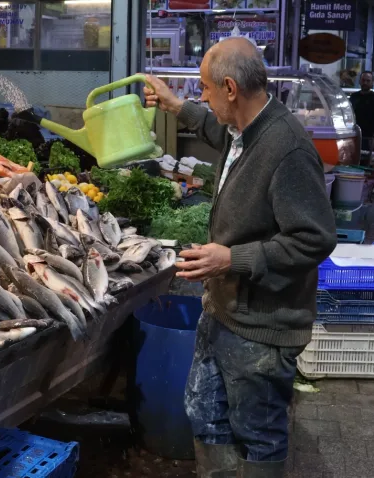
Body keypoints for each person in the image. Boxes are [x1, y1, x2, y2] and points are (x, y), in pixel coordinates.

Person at [143, 37, 336, 477]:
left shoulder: (287, 149)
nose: (203, 98)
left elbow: (315, 239)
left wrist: (232, 259)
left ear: (230, 88)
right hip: (226, 310)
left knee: (258, 434)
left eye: (206, 90)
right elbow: (221, 133)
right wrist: (177, 107)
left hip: (263, 325)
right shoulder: (246, 129)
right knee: (205, 414)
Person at [350, 71, 374, 161]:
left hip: (369, 138)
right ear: (360, 81)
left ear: (372, 82)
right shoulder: (354, 96)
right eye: (363, 80)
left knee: (367, 161)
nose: (365, 83)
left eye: (368, 81)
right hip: (355, 136)